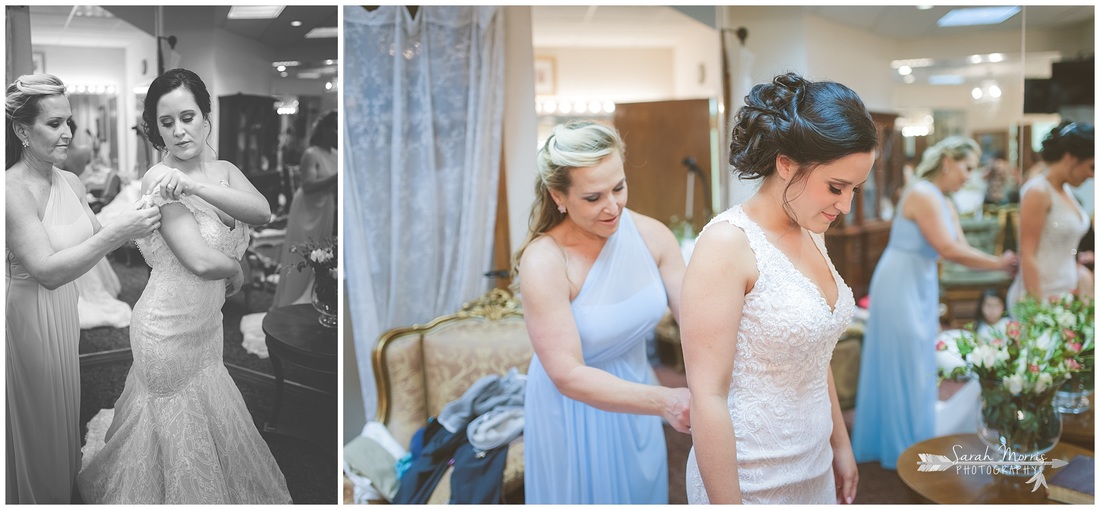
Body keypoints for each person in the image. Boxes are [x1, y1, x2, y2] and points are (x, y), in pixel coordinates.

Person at [75, 68, 291, 503]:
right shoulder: (159, 179)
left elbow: (262, 213)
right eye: (166, 122)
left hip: (206, 327)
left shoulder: (225, 170)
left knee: (207, 411)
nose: (178, 130)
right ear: (155, 128)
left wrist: (196, 185)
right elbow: (197, 260)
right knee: (173, 429)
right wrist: (235, 268)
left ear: (206, 118)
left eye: (187, 117)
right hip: (165, 328)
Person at [681, 72, 876, 504]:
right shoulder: (726, 245)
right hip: (750, 475)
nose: (845, 206)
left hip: (814, 464)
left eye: (854, 190)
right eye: (836, 187)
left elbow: (813, 352)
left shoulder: (812, 230)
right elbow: (707, 396)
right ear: (786, 164)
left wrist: (840, 445)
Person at [513, 120, 690, 504]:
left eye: (619, 188)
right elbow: (568, 374)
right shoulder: (545, 261)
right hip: (573, 407)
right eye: (593, 198)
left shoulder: (653, 236)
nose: (613, 208)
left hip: (636, 393)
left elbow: (697, 324)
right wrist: (664, 400)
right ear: (558, 196)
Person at [5, 74, 161, 504]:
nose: (68, 133)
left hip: (62, 315)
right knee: (36, 420)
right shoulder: (11, 191)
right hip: (27, 320)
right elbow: (47, 271)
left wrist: (154, 209)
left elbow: (100, 241)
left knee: (62, 415)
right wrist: (116, 234)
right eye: (55, 124)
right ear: (22, 130)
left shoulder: (70, 182)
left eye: (68, 121)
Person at [852, 136, 1017, 470]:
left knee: (918, 359)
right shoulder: (923, 193)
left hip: (922, 281)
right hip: (900, 282)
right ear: (948, 162)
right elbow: (949, 249)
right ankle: (900, 444)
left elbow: (960, 244)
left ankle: (914, 432)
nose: (970, 176)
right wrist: (999, 264)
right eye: (967, 167)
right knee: (904, 357)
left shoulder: (943, 199)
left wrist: (994, 259)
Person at [1006, 121, 1094, 307]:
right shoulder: (1038, 192)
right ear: (1070, 158)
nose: (1093, 175)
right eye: (1091, 167)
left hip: (1064, 294)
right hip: (1040, 295)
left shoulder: (1065, 190)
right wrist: (1037, 308)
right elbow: (1027, 254)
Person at [271, 110, 338, 309]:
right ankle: (291, 303)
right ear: (324, 130)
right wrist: (338, 176)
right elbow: (308, 185)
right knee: (302, 254)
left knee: (321, 257)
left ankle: (313, 302)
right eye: (335, 127)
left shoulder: (335, 154)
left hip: (325, 207)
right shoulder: (311, 153)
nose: (338, 132)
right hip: (307, 209)